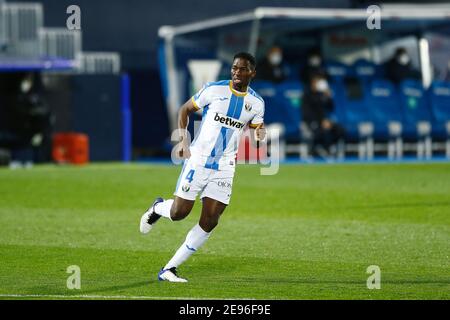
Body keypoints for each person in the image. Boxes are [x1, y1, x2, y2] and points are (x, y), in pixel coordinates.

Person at [139, 52, 266, 282]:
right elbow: (184, 110)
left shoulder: (256, 103)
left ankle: (169, 269)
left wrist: (260, 134)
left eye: (242, 69)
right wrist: (182, 141)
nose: (237, 72)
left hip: (225, 165)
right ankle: (158, 208)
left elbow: (257, 130)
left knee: (210, 220)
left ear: (252, 73)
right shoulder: (214, 90)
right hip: (198, 159)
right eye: (234, 68)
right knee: (179, 213)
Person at [301, 74, 345, 158]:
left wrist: (328, 96)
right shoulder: (306, 95)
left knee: (340, 129)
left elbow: (330, 107)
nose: (318, 84)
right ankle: (319, 149)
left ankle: (331, 147)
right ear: (312, 83)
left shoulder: (321, 94)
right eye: (317, 82)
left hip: (324, 121)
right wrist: (321, 122)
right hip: (311, 122)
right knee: (323, 131)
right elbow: (307, 113)